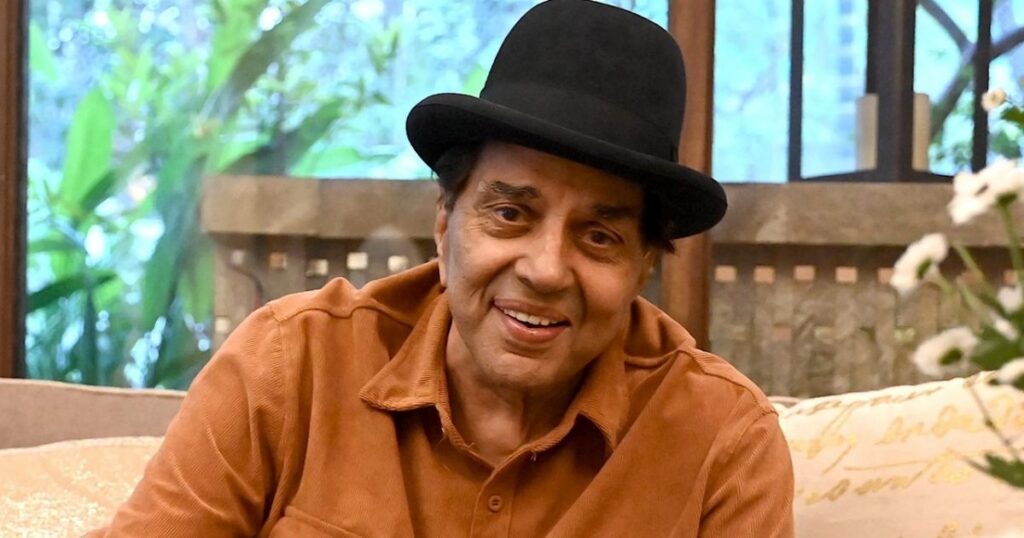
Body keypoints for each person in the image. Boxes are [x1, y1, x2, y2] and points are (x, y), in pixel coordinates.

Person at [91, 0, 794, 536]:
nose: (547, 270)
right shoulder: (290, 366)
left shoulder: (721, 442)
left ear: (643, 266)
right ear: (444, 220)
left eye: (599, 236)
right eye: (511, 214)